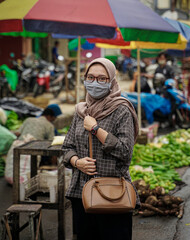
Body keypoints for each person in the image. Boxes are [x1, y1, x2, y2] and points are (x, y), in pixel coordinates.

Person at [62, 58, 139, 240]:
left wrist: (96, 130)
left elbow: (125, 151)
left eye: (102, 78)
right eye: (90, 77)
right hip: (81, 192)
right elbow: (67, 147)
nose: (95, 82)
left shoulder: (121, 109)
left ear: (111, 81)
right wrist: (77, 162)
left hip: (113, 193)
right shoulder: (82, 110)